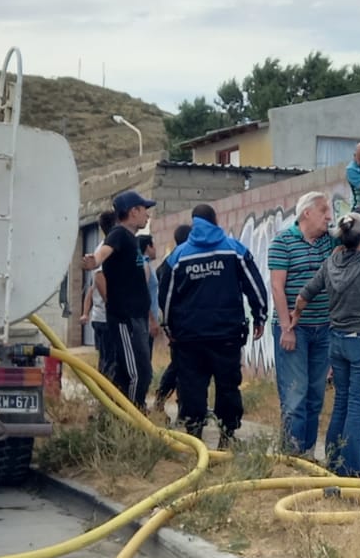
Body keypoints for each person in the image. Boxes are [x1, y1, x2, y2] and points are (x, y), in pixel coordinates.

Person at [268, 190, 360, 456]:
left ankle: (307, 453)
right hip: (294, 330)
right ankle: (290, 455)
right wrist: (288, 327)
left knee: (315, 395)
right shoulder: (283, 242)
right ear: (307, 213)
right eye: (324, 211)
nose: (329, 217)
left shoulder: (327, 241)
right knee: (295, 395)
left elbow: (359, 225)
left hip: (324, 329)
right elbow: (278, 288)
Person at [156, 204, 268, 447]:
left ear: (194, 223)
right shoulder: (234, 249)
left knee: (192, 386)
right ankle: (227, 437)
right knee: (228, 385)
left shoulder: (178, 256)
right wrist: (260, 316)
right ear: (215, 220)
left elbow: (165, 298)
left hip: (189, 338)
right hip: (226, 335)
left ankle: (194, 435)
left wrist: (168, 328)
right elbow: (254, 285)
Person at [290, 212, 360, 478]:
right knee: (356, 406)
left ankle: (333, 462)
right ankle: (353, 469)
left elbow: (306, 292)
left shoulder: (331, 261)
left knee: (341, 402)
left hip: (336, 341)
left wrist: (295, 316)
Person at [82, 190, 159, 408]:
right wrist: (94, 261)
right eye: (145, 210)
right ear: (133, 211)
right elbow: (103, 252)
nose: (147, 215)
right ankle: (133, 415)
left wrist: (150, 317)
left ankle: (128, 413)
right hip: (125, 318)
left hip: (137, 317)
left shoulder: (132, 240)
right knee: (135, 373)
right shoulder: (118, 234)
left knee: (142, 371)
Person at [151, 222, 190, 411]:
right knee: (179, 366)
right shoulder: (178, 260)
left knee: (182, 366)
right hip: (180, 324)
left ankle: (181, 404)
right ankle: (163, 397)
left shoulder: (171, 260)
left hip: (178, 323)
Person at [79, 209, 115, 367]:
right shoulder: (104, 249)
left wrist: (85, 313)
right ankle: (105, 390)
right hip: (105, 318)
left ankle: (103, 388)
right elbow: (99, 280)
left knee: (106, 359)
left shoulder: (106, 247)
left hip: (101, 317)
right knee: (109, 360)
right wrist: (113, 305)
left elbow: (91, 288)